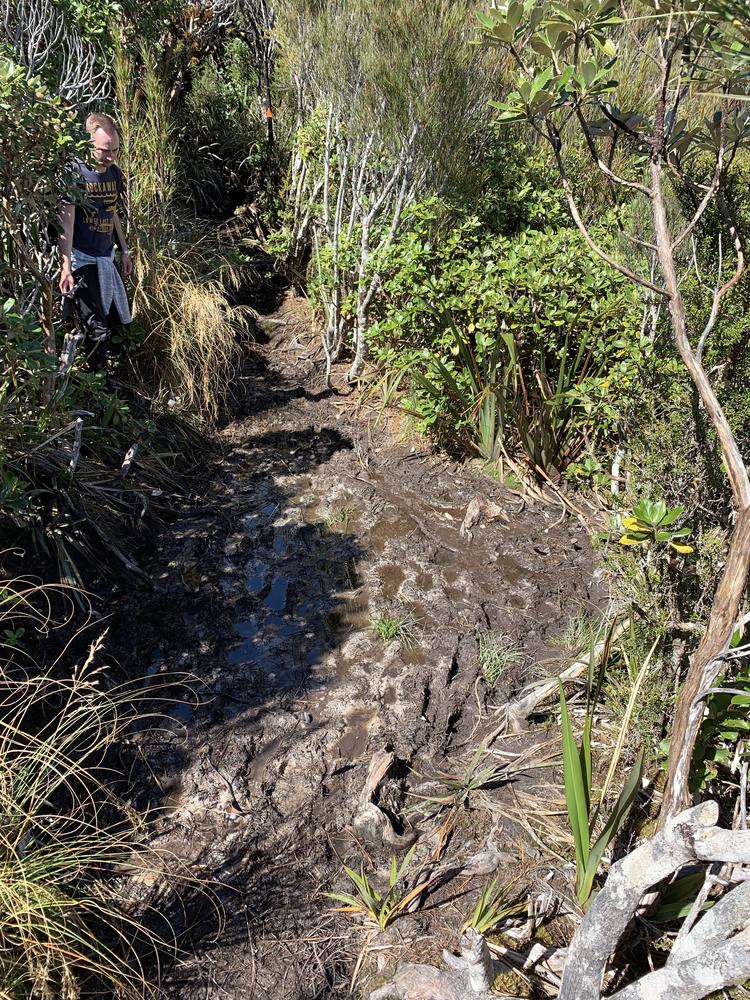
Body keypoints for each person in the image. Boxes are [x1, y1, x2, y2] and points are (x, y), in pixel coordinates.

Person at [58, 112, 132, 372]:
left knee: (115, 320)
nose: (111, 156)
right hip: (82, 258)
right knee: (95, 327)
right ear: (90, 144)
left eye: (115, 149)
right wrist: (66, 266)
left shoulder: (114, 173)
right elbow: (65, 224)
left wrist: (124, 250)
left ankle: (113, 378)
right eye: (104, 150)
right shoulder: (76, 173)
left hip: (106, 256)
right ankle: (98, 388)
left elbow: (112, 212)